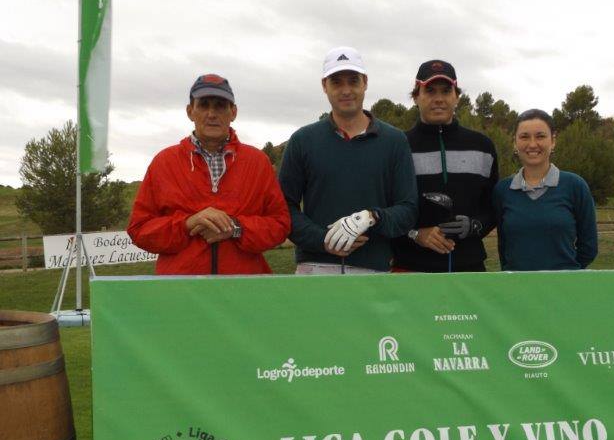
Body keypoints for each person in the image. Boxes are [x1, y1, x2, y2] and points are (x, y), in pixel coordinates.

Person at [128, 74, 290, 274]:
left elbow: (280, 225)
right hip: (181, 293)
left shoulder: (258, 162)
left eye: (220, 105)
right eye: (204, 105)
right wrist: (187, 224)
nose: (212, 113)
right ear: (190, 111)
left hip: (245, 291)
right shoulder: (164, 162)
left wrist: (236, 228)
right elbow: (139, 229)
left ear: (233, 112)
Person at [278, 46, 418, 274]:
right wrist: (323, 239)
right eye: (336, 82)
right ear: (324, 86)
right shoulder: (303, 140)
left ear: (365, 82)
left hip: (373, 269)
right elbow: (284, 207)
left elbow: (408, 210)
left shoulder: (394, 141)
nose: (346, 90)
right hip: (315, 267)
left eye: (353, 81)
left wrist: (373, 217)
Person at [392, 60, 499, 272]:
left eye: (446, 91)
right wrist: (415, 233)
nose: (439, 99)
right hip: (411, 267)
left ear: (456, 96)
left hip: (468, 268)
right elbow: (386, 209)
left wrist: (475, 226)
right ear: (416, 97)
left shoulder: (482, 146)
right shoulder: (397, 146)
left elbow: (493, 207)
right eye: (430, 91)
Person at [492, 109, 597, 271]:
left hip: (564, 288)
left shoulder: (575, 186)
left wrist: (567, 272)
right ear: (515, 142)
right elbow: (504, 246)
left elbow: (589, 247)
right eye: (524, 137)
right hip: (517, 288)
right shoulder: (503, 190)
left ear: (553, 141)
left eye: (540, 136)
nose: (532, 144)